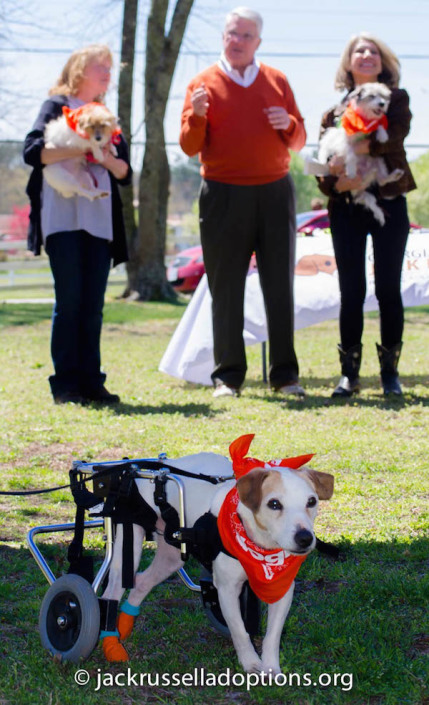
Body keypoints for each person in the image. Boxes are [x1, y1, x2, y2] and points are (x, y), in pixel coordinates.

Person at [180, 7, 306, 399]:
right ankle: (228, 377)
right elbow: (187, 146)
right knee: (225, 287)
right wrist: (197, 116)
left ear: (258, 42)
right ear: (223, 37)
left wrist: (287, 123)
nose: (237, 41)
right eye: (232, 34)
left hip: (274, 191)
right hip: (221, 193)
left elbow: (298, 139)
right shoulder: (201, 84)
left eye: (246, 36)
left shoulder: (276, 80)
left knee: (279, 285)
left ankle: (285, 376)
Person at [23, 44, 132, 405]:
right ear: (79, 70)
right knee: (69, 301)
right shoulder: (57, 107)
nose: (106, 73)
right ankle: (66, 384)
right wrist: (83, 149)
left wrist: (109, 158)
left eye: (109, 69)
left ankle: (92, 382)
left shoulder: (106, 115)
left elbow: (124, 171)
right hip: (62, 219)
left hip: (99, 223)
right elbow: (33, 152)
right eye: (100, 67)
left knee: (92, 304)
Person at [316, 33, 416, 397]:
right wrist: (335, 182)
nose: (366, 55)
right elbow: (323, 171)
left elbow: (395, 137)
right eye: (359, 51)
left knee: (389, 288)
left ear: (383, 61)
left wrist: (356, 145)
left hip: (388, 200)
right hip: (346, 207)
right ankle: (349, 374)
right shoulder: (332, 113)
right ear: (349, 62)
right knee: (351, 290)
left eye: (373, 51)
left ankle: (390, 373)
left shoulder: (396, 100)